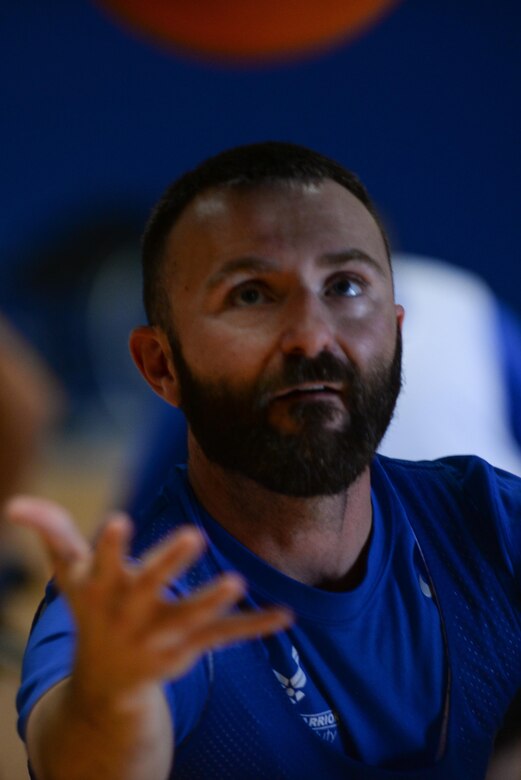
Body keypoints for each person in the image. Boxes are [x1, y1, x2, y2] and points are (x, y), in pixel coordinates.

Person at [8, 142, 521, 780]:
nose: (312, 334)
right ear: (161, 367)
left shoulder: (493, 520)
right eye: (251, 295)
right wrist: (111, 707)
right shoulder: (152, 606)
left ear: (394, 328)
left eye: (346, 286)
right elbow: (83, 757)